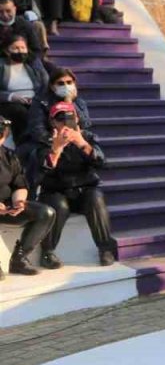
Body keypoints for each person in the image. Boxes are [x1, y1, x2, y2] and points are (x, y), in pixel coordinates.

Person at [36, 101, 117, 266]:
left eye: (69, 118)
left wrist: (82, 144)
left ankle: (105, 249)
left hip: (84, 189)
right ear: (52, 122)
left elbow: (102, 163)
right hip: (56, 191)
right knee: (59, 205)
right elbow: (40, 172)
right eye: (60, 119)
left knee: (95, 198)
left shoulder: (87, 137)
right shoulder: (44, 140)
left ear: (77, 119)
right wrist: (57, 148)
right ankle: (48, 253)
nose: (65, 123)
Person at [0, 116, 55, 276]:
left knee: (45, 213)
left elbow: (20, 183)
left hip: (7, 207)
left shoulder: (8, 156)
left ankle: (19, 258)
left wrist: (19, 202)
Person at [0, 31, 48, 142]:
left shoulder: (32, 66)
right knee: (21, 112)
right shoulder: (1, 66)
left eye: (23, 48)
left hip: (33, 101)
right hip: (9, 104)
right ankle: (24, 144)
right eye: (15, 48)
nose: (20, 51)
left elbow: (44, 85)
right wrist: (12, 97)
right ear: (7, 51)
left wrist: (36, 99)